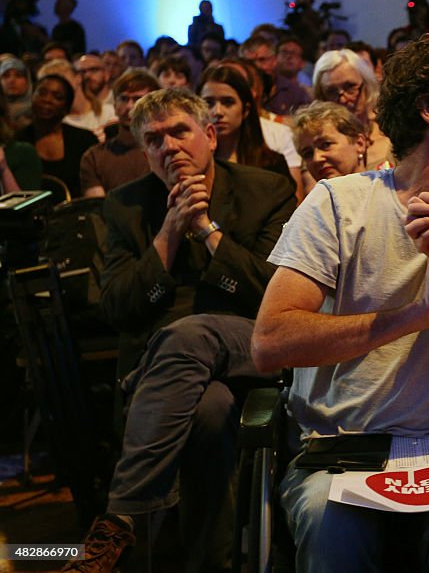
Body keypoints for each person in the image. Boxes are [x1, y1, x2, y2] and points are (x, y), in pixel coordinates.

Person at [252, 29, 429, 572]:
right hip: (343, 451)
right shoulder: (338, 202)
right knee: (334, 539)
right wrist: (416, 316)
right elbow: (270, 342)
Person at [63, 88, 296, 573]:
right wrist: (169, 233)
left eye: (179, 132)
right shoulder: (125, 207)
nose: (168, 146)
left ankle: (121, 517)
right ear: (144, 152)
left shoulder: (264, 190)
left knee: (190, 332)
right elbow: (118, 311)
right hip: (166, 374)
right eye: (153, 139)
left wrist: (208, 230)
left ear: (209, 136)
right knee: (210, 412)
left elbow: (273, 294)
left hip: (248, 347)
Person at [196, 64, 293, 186]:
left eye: (228, 102)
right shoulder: (193, 164)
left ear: (246, 110)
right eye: (209, 103)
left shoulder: (271, 163)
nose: (218, 112)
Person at [79, 69, 160, 197]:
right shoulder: (94, 157)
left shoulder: (164, 151)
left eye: (137, 99)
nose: (129, 106)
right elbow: (97, 206)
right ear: (115, 104)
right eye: (123, 99)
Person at [16, 73, 98, 197]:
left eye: (57, 97)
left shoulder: (84, 140)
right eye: (41, 93)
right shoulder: (18, 140)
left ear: (66, 108)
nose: (47, 100)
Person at [312, 48, 394, 169]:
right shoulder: (316, 147)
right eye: (331, 92)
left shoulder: (391, 132)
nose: (343, 99)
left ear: (367, 85)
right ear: (322, 98)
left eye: (350, 87)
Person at [292, 100, 368, 182]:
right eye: (308, 154)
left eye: (326, 145)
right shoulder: (316, 195)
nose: (316, 158)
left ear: (359, 144)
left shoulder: (382, 190)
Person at [1, 56, 33, 130]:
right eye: (6, 76)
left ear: (28, 81)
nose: (11, 80)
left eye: (18, 75)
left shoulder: (38, 112)